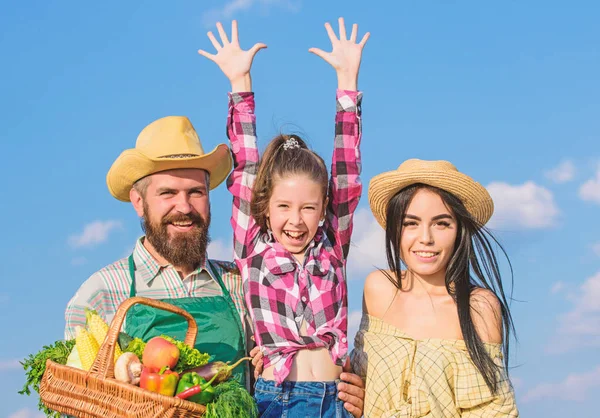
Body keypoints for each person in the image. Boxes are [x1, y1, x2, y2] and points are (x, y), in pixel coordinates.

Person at [197, 18, 368, 418]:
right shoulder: (252, 247)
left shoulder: (332, 244)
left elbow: (347, 171)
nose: (296, 220)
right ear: (265, 208)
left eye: (309, 208)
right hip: (280, 401)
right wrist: (241, 84)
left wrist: (347, 80)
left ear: (324, 208)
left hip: (338, 401)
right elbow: (245, 170)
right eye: (284, 208)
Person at [64, 116, 259, 385]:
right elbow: (76, 399)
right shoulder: (101, 294)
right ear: (139, 201)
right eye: (168, 193)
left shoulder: (239, 284)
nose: (184, 207)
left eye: (196, 192)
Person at [351, 159, 519, 417]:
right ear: (396, 229)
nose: (426, 238)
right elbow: (361, 378)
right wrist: (353, 393)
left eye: (441, 223)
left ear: (459, 231)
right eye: (410, 223)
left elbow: (495, 410)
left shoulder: (479, 307)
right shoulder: (378, 288)